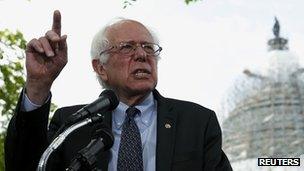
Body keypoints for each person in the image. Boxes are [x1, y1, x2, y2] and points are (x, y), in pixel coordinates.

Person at [5, 10, 232, 171]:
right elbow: (25, 166)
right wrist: (38, 84)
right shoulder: (72, 123)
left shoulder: (197, 122)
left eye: (148, 47)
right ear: (100, 67)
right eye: (127, 47)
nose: (142, 55)